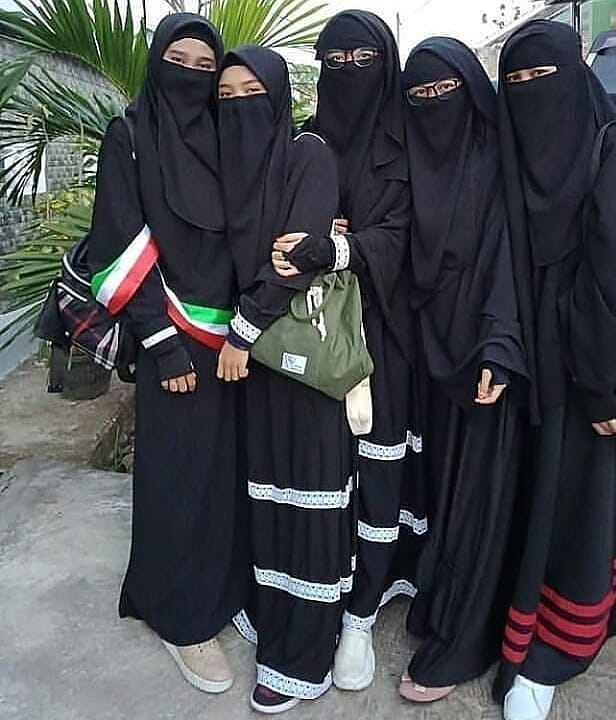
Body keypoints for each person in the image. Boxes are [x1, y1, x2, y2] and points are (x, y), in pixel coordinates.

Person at [494, 21, 616, 720]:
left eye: (541, 78)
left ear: (575, 80)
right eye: (515, 83)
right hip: (538, 363)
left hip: (592, 374)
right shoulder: (513, 158)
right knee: (576, 502)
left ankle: (557, 646)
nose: (529, 94)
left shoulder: (615, 149)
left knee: (581, 508)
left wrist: (604, 385)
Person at [87, 14, 247, 693]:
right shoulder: (128, 136)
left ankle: (227, 590)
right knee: (177, 478)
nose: (191, 75)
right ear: (157, 63)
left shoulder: (226, 134)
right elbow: (118, 238)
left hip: (237, 341)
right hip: (175, 339)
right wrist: (162, 341)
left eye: (205, 66)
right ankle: (182, 617)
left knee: (226, 472)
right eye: (177, 60)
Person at [284, 9, 425, 691]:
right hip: (312, 337)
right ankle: (315, 591)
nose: (348, 73)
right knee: (321, 472)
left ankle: (362, 612)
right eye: (334, 62)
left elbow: (419, 230)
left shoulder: (410, 141)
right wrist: (309, 227)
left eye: (362, 61)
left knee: (379, 470)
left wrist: (344, 245)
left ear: (386, 65)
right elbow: (272, 221)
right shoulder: (305, 140)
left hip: (386, 334)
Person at [215, 46, 353, 714]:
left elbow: (295, 261)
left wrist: (242, 332)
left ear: (277, 97)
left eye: (253, 93)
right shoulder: (223, 167)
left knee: (308, 493)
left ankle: (301, 655)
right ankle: (271, 610)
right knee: (266, 490)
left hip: (295, 356)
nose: (239, 106)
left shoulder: (307, 155)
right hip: (251, 370)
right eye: (225, 96)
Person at [398, 37, 527, 704]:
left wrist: (500, 344)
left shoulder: (498, 157)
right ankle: (433, 603)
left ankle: (464, 637)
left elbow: (513, 254)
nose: (433, 107)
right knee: (436, 488)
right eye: (418, 97)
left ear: (472, 95)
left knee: (479, 494)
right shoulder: (411, 162)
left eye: (445, 92)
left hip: (484, 353)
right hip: (427, 348)